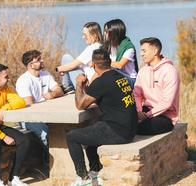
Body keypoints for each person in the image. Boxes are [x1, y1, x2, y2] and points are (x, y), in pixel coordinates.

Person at [66, 48, 138, 186]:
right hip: (129, 128)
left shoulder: (102, 82)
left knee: (72, 136)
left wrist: (78, 84)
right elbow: (98, 94)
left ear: (93, 64)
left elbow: (80, 105)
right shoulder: (119, 77)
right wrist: (87, 88)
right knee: (91, 130)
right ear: (109, 62)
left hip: (119, 132)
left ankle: (83, 178)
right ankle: (95, 172)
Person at [16, 50, 64, 148]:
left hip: (45, 113)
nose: (42, 60)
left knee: (62, 128)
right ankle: (46, 161)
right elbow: (29, 105)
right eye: (38, 60)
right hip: (28, 117)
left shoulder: (45, 74)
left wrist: (53, 94)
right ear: (31, 65)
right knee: (45, 133)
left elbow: (60, 91)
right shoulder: (23, 80)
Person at [133, 37, 180, 135]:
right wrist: (139, 111)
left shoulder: (170, 71)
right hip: (145, 111)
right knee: (125, 121)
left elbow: (167, 102)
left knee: (140, 128)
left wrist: (147, 115)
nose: (141, 54)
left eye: (144, 51)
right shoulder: (142, 71)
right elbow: (137, 94)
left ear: (155, 51)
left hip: (165, 116)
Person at [56, 22, 103, 92]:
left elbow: (72, 65)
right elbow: (80, 66)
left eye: (85, 35)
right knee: (74, 65)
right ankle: (68, 87)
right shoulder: (101, 45)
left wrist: (57, 69)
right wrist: (65, 70)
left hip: (88, 85)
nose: (83, 37)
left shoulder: (92, 48)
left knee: (66, 58)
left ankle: (67, 87)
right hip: (98, 82)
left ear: (94, 35)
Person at [103, 19, 138, 87]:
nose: (104, 33)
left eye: (106, 31)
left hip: (131, 79)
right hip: (116, 75)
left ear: (114, 32)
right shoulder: (108, 45)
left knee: (110, 72)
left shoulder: (128, 47)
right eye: (104, 31)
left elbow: (120, 65)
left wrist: (101, 63)